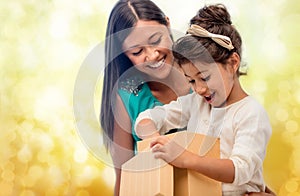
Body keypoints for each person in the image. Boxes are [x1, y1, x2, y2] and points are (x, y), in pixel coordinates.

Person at [135, 4, 273, 196]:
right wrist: (154, 140)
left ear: (233, 63)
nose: (199, 89)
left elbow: (240, 170)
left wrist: (186, 159)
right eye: (191, 80)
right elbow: (147, 118)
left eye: (205, 77)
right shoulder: (195, 103)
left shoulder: (250, 113)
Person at [100, 0, 191, 195]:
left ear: (167, 25)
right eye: (137, 51)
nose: (152, 55)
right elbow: (124, 179)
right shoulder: (127, 97)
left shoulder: (204, 75)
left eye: (156, 40)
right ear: (125, 54)